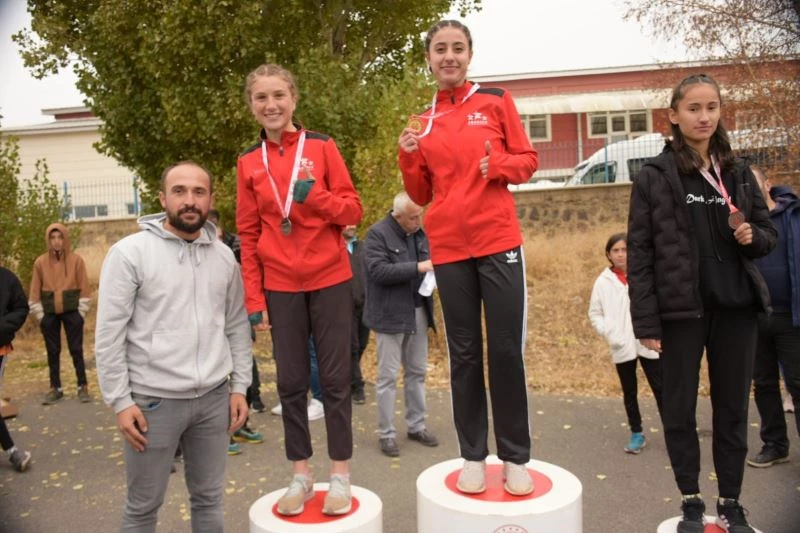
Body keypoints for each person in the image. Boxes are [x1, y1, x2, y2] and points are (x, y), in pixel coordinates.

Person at [627, 73, 776, 533]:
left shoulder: (738, 171)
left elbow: (768, 235)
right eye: (693, 108)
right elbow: (640, 253)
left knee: (732, 410)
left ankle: (731, 504)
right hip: (680, 314)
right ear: (673, 115)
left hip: (736, 311)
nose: (704, 116)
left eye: (711, 107)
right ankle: (691, 501)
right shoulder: (653, 176)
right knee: (679, 410)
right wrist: (645, 320)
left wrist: (753, 237)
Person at [397, 19, 539, 496]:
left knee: (504, 351)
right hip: (450, 249)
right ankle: (473, 456)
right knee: (463, 355)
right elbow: (418, 193)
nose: (449, 57)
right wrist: (408, 156)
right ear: (429, 58)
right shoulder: (422, 119)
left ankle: (515, 457)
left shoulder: (496, 100)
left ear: (470, 54)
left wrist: (497, 165)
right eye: (440, 49)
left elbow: (527, 161)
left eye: (457, 48)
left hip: (499, 242)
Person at [94, 161, 252, 531]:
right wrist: (120, 400)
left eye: (198, 192)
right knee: (143, 508)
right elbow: (109, 335)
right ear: (163, 198)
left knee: (209, 501)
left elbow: (235, 326)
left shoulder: (224, 257)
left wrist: (240, 386)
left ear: (211, 199)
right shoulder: (129, 253)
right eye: (179, 191)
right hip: (152, 404)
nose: (189, 200)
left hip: (214, 400)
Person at [236, 63, 362, 516]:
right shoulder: (249, 162)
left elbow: (353, 211)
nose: (270, 105)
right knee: (290, 383)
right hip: (281, 285)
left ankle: (341, 476)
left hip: (330, 277)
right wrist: (255, 299)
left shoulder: (323, 147)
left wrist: (317, 198)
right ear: (252, 106)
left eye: (278, 95)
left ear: (294, 99)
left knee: (334, 381)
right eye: (260, 98)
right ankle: (301, 476)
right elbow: (248, 236)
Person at [363, 192, 439, 457]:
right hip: (390, 316)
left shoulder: (420, 232)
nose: (418, 221)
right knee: (387, 377)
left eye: (420, 215)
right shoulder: (377, 235)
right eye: (412, 217)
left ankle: (416, 426)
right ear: (397, 216)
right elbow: (378, 271)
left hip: (418, 310)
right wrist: (418, 267)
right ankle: (386, 434)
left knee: (417, 372)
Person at [588, 233, 663, 454]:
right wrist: (610, 332)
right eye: (616, 251)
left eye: (625, 249)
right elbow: (595, 313)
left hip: (648, 340)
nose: (620, 254)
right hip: (621, 344)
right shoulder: (603, 282)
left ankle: (674, 430)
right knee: (629, 391)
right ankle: (637, 433)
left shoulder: (645, 274)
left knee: (662, 388)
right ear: (608, 254)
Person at [747, 166, 799, 468]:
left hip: (791, 317)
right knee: (764, 383)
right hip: (754, 318)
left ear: (768, 184)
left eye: (754, 184)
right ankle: (775, 444)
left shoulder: (793, 216)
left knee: (798, 382)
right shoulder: (738, 225)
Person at [29, 223, 92, 405]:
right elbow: (34, 292)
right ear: (48, 240)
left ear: (65, 239)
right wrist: (40, 314)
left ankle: (82, 386)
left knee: (76, 349)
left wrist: (81, 312)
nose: (56, 242)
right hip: (49, 313)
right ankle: (55, 388)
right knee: (52, 351)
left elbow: (85, 289)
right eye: (52, 238)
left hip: (72, 312)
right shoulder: (40, 263)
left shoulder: (76, 261)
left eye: (60, 237)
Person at [0, 266, 32, 472]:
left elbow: (21, 308)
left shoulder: (6, 278)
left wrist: (1, 326)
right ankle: (12, 452)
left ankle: (12, 452)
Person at [344, 224, 370, 405]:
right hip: (344, 306)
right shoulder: (334, 247)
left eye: (354, 222)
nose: (352, 226)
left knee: (362, 344)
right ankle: (357, 387)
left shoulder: (363, 247)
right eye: (347, 222)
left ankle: (349, 375)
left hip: (365, 304)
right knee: (351, 346)